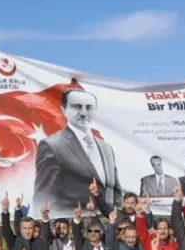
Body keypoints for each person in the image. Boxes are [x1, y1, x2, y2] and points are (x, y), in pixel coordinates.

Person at [33, 88, 123, 216]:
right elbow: (43, 198)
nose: (83, 113)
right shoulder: (52, 145)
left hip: (110, 225)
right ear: (64, 110)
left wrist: (120, 217)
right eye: (77, 107)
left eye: (89, 107)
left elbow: (115, 191)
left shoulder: (106, 148)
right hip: (76, 225)